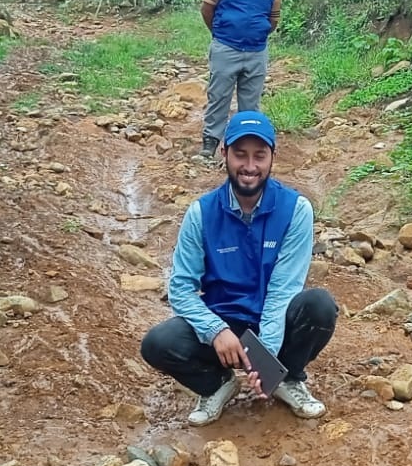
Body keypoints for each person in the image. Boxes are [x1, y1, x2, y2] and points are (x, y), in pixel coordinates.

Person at [141, 110, 337, 426]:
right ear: (224, 153)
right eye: (240, 154)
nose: (249, 166)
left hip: (274, 320)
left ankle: (286, 378)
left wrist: (265, 361)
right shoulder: (201, 213)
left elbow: (283, 290)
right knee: (158, 343)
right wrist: (216, 330)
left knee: (319, 306)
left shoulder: (296, 210)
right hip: (223, 323)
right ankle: (217, 384)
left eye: (259, 155)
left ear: (272, 156)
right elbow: (181, 288)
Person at [198, 0, 283, 158]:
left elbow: (273, 21)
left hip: (256, 52)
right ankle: (211, 142)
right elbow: (207, 9)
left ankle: (245, 144)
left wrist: (256, 34)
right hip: (226, 48)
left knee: (250, 102)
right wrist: (220, 32)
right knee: (219, 96)